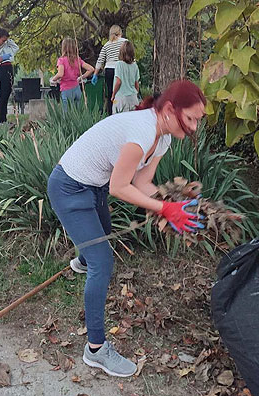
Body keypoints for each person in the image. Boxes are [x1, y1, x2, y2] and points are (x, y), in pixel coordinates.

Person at [47, 80, 206, 376]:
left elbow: (141, 183)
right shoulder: (141, 133)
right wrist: (164, 208)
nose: (194, 127)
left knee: (98, 245)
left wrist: (172, 204)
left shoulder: (163, 138)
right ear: (170, 110)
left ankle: (83, 259)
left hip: (94, 189)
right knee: (102, 261)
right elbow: (119, 187)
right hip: (69, 187)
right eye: (191, 118)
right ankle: (95, 349)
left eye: (198, 120)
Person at [49, 38, 94, 112]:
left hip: (66, 90)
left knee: (67, 115)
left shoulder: (61, 60)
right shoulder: (78, 59)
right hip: (77, 90)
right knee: (77, 114)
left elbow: (60, 74)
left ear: (63, 48)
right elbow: (91, 69)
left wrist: (53, 79)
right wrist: (80, 78)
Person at [92, 25, 127, 115]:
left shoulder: (107, 45)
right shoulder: (124, 42)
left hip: (109, 70)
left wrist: (95, 74)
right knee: (122, 91)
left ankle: (111, 112)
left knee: (111, 92)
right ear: (120, 32)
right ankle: (122, 110)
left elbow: (100, 60)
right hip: (121, 68)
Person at [0, 36, 19, 125]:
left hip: (9, 66)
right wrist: (3, 42)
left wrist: (9, 41)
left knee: (7, 92)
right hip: (3, 66)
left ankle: (3, 117)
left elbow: (16, 48)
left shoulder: (9, 46)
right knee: (3, 93)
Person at [111, 41, 140, 114]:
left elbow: (118, 82)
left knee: (119, 121)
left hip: (121, 97)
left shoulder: (119, 64)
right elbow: (136, 83)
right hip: (133, 97)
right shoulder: (135, 66)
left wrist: (113, 95)